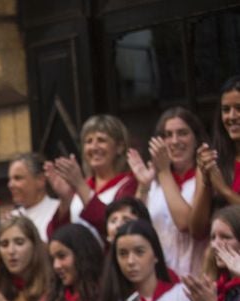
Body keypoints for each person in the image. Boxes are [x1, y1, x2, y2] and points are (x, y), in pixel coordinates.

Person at [128, 107, 207, 276]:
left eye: (182, 133)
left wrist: (164, 172)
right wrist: (143, 186)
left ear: (196, 138)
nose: (174, 141)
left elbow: (185, 224)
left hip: (195, 276)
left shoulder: (204, 176)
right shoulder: (154, 180)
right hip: (158, 278)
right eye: (167, 135)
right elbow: (133, 226)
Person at [46, 114, 138, 241]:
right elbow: (55, 237)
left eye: (101, 140)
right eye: (88, 141)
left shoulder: (129, 184)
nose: (94, 147)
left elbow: (116, 228)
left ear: (119, 147)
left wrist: (80, 185)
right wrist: (65, 200)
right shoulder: (82, 186)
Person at [190, 75, 240, 239]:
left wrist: (224, 190)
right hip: (218, 260)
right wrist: (206, 181)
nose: (232, 116)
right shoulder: (213, 159)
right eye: (226, 110)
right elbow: (196, 230)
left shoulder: (220, 181)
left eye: (239, 108)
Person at [9, 153, 62, 242]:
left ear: (40, 180)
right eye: (10, 179)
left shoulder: (58, 210)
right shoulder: (12, 217)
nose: (10, 185)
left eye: (18, 178)